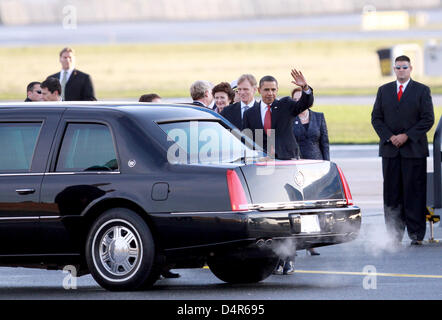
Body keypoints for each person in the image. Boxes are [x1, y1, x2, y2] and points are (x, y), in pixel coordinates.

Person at [371, 55, 434, 246]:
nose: (400, 71)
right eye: (397, 67)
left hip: (413, 151)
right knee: (392, 194)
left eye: (404, 67)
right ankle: (393, 234)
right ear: (394, 69)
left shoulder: (422, 91)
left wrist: (406, 136)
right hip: (390, 151)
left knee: (414, 192)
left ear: (411, 68)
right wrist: (390, 137)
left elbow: (427, 119)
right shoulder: (384, 91)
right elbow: (376, 118)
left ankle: (416, 234)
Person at [243, 69, 314, 160]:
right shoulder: (249, 114)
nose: (270, 93)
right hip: (262, 161)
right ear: (259, 90)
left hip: (287, 158)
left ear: (277, 90)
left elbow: (305, 104)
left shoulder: (286, 105)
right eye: (266, 90)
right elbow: (247, 140)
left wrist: (305, 87)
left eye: (273, 90)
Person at [293, 86, 329, 256]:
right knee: (301, 205)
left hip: (316, 165)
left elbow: (325, 143)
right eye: (296, 99)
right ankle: (302, 240)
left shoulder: (319, 117)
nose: (300, 102)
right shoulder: (289, 118)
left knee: (316, 204)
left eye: (302, 98)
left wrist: (327, 165)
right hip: (297, 166)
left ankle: (312, 240)